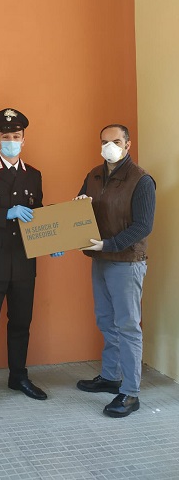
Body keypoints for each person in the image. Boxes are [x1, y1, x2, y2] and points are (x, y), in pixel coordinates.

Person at [0, 107, 60, 412]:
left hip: (23, 260)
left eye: (16, 136)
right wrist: (6, 213)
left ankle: (18, 377)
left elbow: (38, 214)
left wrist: (54, 241)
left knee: (21, 323)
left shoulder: (34, 175)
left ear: (24, 139)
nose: (11, 141)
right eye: (6, 136)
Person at [75, 124, 156, 418]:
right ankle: (111, 376)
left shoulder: (141, 180)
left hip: (126, 261)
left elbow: (143, 226)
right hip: (100, 258)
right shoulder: (94, 175)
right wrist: (79, 206)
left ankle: (131, 392)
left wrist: (110, 244)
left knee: (128, 326)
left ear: (128, 144)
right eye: (105, 141)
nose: (110, 146)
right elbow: (79, 210)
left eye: (117, 141)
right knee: (106, 320)